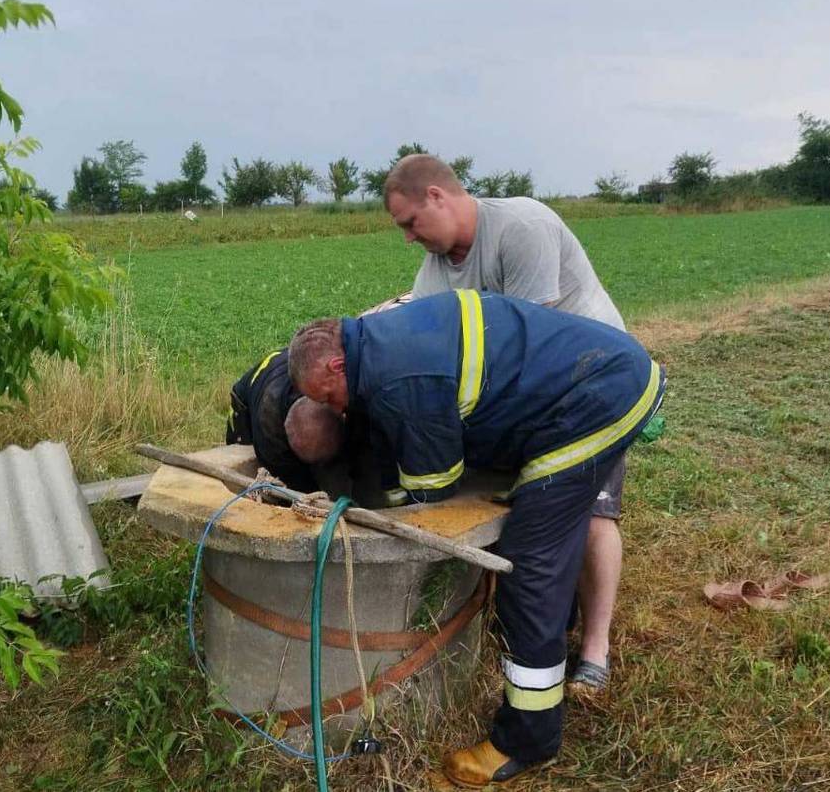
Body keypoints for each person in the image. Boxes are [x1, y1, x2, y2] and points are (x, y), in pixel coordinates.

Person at [287, 291, 664, 786]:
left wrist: (386, 507)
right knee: (550, 522)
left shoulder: (402, 380)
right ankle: (560, 628)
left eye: (327, 396)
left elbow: (437, 484)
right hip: (601, 377)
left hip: (597, 398)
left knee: (529, 565)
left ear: (337, 364)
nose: (332, 408)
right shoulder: (380, 344)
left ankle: (527, 738)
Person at [384, 153, 626, 694]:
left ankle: (595, 648)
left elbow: (523, 344)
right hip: (528, 395)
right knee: (519, 504)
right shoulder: (439, 262)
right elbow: (423, 330)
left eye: (409, 223)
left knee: (587, 511)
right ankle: (542, 619)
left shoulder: (522, 229)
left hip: (593, 384)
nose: (407, 238)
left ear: (437, 198)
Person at [225, 349, 343, 494]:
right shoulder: (269, 432)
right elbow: (292, 485)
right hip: (246, 403)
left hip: (291, 363)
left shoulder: (335, 389)